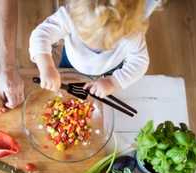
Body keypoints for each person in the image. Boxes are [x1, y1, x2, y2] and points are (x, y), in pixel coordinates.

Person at [29, 0, 157, 99]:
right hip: (71, 62)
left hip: (110, 69)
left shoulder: (131, 32)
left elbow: (140, 62)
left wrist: (113, 82)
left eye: (106, 46)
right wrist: (47, 67)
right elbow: (41, 35)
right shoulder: (73, 14)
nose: (95, 50)